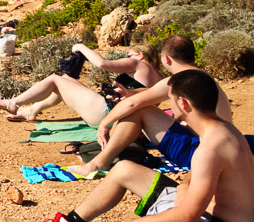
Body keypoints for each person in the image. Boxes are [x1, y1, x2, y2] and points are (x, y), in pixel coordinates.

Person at [0, 70, 254, 222]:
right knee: (125, 170)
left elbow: (189, 214)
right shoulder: (220, 130)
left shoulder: (210, 147)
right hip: (205, 214)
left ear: (184, 103)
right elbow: (197, 177)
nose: (167, 106)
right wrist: (182, 188)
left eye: (169, 100)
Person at [71, 37, 239, 177]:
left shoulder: (179, 81)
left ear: (166, 58)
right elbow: (150, 93)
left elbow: (131, 103)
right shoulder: (203, 76)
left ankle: (98, 162)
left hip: (201, 153)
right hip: (224, 143)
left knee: (140, 110)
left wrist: (104, 123)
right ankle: (107, 157)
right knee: (144, 109)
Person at [0, 43, 160, 125]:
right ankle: (31, 111)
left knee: (55, 79)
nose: (127, 59)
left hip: (105, 111)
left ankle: (14, 103)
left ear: (141, 56)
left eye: (130, 56)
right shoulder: (159, 79)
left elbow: (102, 64)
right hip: (121, 118)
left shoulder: (139, 64)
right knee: (66, 81)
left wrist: (81, 48)